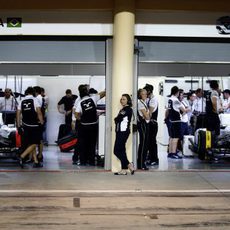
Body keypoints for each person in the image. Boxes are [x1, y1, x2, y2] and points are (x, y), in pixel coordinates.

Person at [74, 85, 105, 166]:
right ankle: (91, 161)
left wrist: (81, 119)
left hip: (84, 126)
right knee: (92, 144)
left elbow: (76, 114)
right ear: (87, 92)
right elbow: (103, 93)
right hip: (93, 125)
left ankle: (83, 161)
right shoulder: (93, 98)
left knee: (83, 144)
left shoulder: (80, 102)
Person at [16, 87, 44, 168]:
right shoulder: (35, 100)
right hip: (34, 126)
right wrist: (41, 122)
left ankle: (35, 162)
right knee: (35, 143)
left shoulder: (21, 101)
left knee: (31, 143)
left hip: (25, 125)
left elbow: (18, 113)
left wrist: (18, 125)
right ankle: (22, 156)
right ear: (33, 93)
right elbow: (39, 112)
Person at [113, 94, 134, 175]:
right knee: (122, 150)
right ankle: (124, 169)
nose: (122, 100)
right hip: (120, 132)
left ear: (128, 100)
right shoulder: (124, 109)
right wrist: (117, 119)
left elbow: (117, 119)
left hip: (123, 132)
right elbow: (117, 119)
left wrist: (117, 119)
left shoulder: (128, 109)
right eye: (121, 99)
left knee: (116, 151)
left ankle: (129, 164)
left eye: (124, 99)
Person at [167, 86, 188, 159]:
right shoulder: (176, 100)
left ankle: (170, 153)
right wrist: (187, 109)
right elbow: (184, 110)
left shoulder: (170, 99)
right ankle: (173, 153)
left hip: (171, 120)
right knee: (176, 138)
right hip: (177, 120)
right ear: (177, 92)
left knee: (172, 137)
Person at [143, 84, 159, 166]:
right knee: (149, 142)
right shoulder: (148, 99)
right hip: (148, 123)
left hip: (153, 123)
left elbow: (149, 113)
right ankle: (150, 157)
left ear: (149, 91)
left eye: (145, 92)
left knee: (152, 142)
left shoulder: (153, 100)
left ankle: (155, 159)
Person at [137, 88, 150, 170]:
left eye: (146, 94)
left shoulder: (144, 102)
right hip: (142, 124)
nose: (145, 95)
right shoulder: (140, 103)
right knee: (143, 144)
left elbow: (148, 115)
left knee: (145, 144)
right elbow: (147, 116)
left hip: (145, 124)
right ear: (140, 95)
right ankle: (141, 164)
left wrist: (147, 114)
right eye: (143, 94)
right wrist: (148, 114)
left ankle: (142, 162)